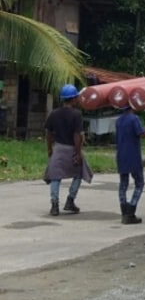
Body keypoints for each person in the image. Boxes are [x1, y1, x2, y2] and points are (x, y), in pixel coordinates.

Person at [44, 84, 93, 216]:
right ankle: (70, 200)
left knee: (55, 176)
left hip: (58, 148)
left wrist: (49, 148)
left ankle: (54, 205)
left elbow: (48, 132)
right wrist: (78, 153)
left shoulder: (54, 113)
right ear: (72, 99)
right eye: (76, 97)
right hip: (71, 148)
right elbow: (77, 135)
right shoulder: (76, 114)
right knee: (79, 173)